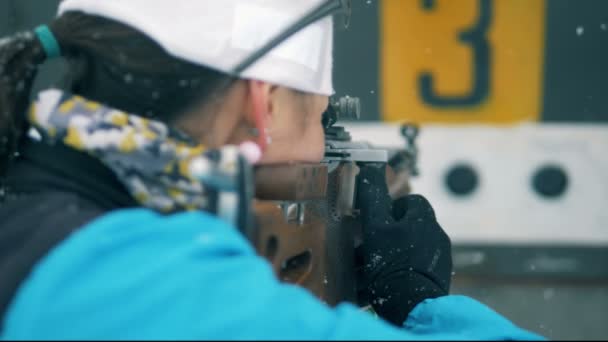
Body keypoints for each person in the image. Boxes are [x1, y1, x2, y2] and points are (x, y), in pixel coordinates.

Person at [0, 0, 543, 340]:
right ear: (269, 104)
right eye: (319, 116)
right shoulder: (139, 282)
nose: (321, 148)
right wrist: (425, 307)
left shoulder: (40, 213)